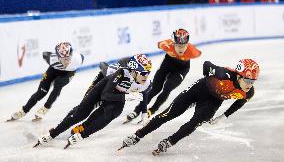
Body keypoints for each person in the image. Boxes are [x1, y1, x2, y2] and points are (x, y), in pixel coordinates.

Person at [120, 59, 260, 155]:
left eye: (253, 81)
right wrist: (210, 76)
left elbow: (240, 102)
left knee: (195, 123)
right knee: (169, 114)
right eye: (247, 80)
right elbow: (206, 64)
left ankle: (170, 141)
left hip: (213, 102)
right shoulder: (225, 74)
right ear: (239, 77)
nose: (249, 85)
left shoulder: (249, 92)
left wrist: (224, 116)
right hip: (199, 90)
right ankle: (137, 135)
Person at [34, 54, 152, 149]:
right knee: (82, 111)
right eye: (144, 73)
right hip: (104, 83)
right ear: (133, 71)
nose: (146, 76)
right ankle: (53, 133)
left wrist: (144, 113)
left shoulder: (145, 82)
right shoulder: (120, 73)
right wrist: (126, 97)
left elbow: (144, 93)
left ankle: (83, 131)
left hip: (119, 92)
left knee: (114, 112)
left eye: (148, 73)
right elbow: (105, 95)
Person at [124, 29, 201, 124]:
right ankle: (137, 110)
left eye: (183, 46)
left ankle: (152, 110)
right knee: (155, 89)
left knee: (168, 88)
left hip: (181, 70)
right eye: (178, 46)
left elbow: (199, 53)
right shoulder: (168, 45)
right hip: (167, 65)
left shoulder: (192, 51)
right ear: (173, 43)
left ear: (187, 45)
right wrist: (165, 49)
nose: (181, 49)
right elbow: (159, 44)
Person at [7, 42, 84, 121]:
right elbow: (44, 54)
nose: (66, 61)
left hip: (67, 73)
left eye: (68, 58)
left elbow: (80, 60)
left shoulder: (78, 59)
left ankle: (45, 108)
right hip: (54, 69)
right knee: (41, 92)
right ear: (57, 56)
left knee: (58, 84)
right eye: (63, 59)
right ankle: (23, 111)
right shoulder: (52, 59)